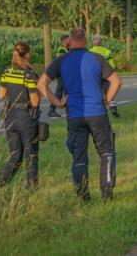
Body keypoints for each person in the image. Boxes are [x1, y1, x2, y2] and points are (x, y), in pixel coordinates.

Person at [37, 27, 122, 202]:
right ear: (85, 41)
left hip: (75, 115)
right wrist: (105, 101)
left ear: (69, 41)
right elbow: (116, 81)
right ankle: (106, 191)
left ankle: (83, 196)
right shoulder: (97, 58)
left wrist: (58, 103)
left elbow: (41, 84)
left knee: (79, 156)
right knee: (106, 151)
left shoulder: (61, 60)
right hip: (97, 113)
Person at [0, 42, 63, 189]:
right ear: (27, 54)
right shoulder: (29, 74)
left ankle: (0, 183)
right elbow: (34, 102)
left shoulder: (7, 71)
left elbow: (2, 95)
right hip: (25, 119)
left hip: (10, 118)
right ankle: (32, 187)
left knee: (15, 157)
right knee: (31, 155)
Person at [89, 34, 120, 118]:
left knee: (97, 93)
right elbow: (111, 65)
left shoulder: (90, 52)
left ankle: (99, 111)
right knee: (108, 91)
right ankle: (113, 107)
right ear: (99, 42)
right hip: (106, 75)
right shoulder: (107, 51)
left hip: (95, 76)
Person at [49, 34, 71, 118]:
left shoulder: (67, 49)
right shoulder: (62, 50)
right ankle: (52, 110)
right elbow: (64, 62)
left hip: (64, 74)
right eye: (68, 40)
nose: (70, 41)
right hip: (62, 74)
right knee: (59, 92)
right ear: (64, 40)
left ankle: (54, 109)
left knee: (64, 92)